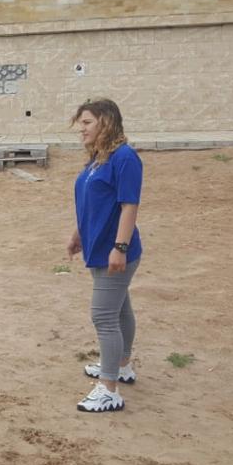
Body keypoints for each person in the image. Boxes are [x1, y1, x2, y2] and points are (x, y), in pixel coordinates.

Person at [67, 98, 143, 413]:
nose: (81, 129)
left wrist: (120, 247)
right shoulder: (99, 158)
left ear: (106, 123)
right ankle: (121, 365)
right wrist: (78, 234)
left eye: (87, 122)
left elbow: (129, 205)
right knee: (120, 310)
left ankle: (109, 389)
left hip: (115, 251)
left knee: (103, 316)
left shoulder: (124, 158)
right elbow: (92, 202)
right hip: (98, 247)